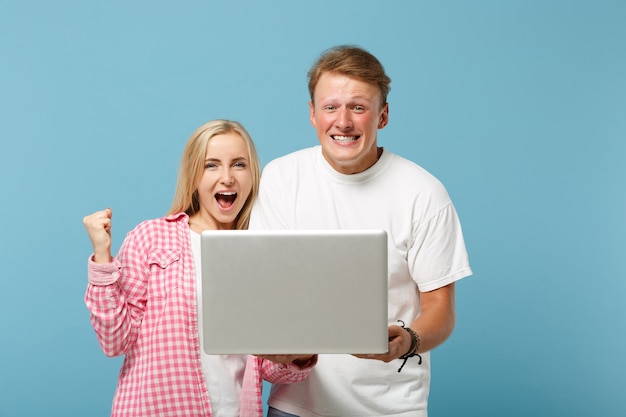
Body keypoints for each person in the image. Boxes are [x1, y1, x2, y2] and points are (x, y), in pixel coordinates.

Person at [249, 46, 473, 417]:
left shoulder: (423, 193)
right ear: (312, 114)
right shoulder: (282, 177)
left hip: (391, 407)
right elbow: (267, 286)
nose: (343, 121)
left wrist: (409, 341)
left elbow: (440, 308)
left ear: (382, 116)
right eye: (330, 107)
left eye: (358, 107)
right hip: (296, 404)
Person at [83, 119, 317, 417]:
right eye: (212, 165)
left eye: (239, 165)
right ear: (194, 175)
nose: (227, 177)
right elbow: (115, 340)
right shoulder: (151, 238)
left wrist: (298, 356)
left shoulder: (263, 252)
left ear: (252, 174)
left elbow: (269, 366)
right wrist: (102, 258)